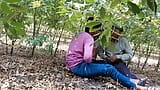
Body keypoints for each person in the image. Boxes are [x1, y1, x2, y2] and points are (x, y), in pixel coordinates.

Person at [65, 18, 147, 89]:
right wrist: (93, 56)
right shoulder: (89, 38)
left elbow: (71, 52)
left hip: (73, 65)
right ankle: (134, 86)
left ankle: (132, 80)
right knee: (109, 69)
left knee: (111, 65)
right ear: (95, 30)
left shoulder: (80, 34)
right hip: (79, 66)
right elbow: (87, 58)